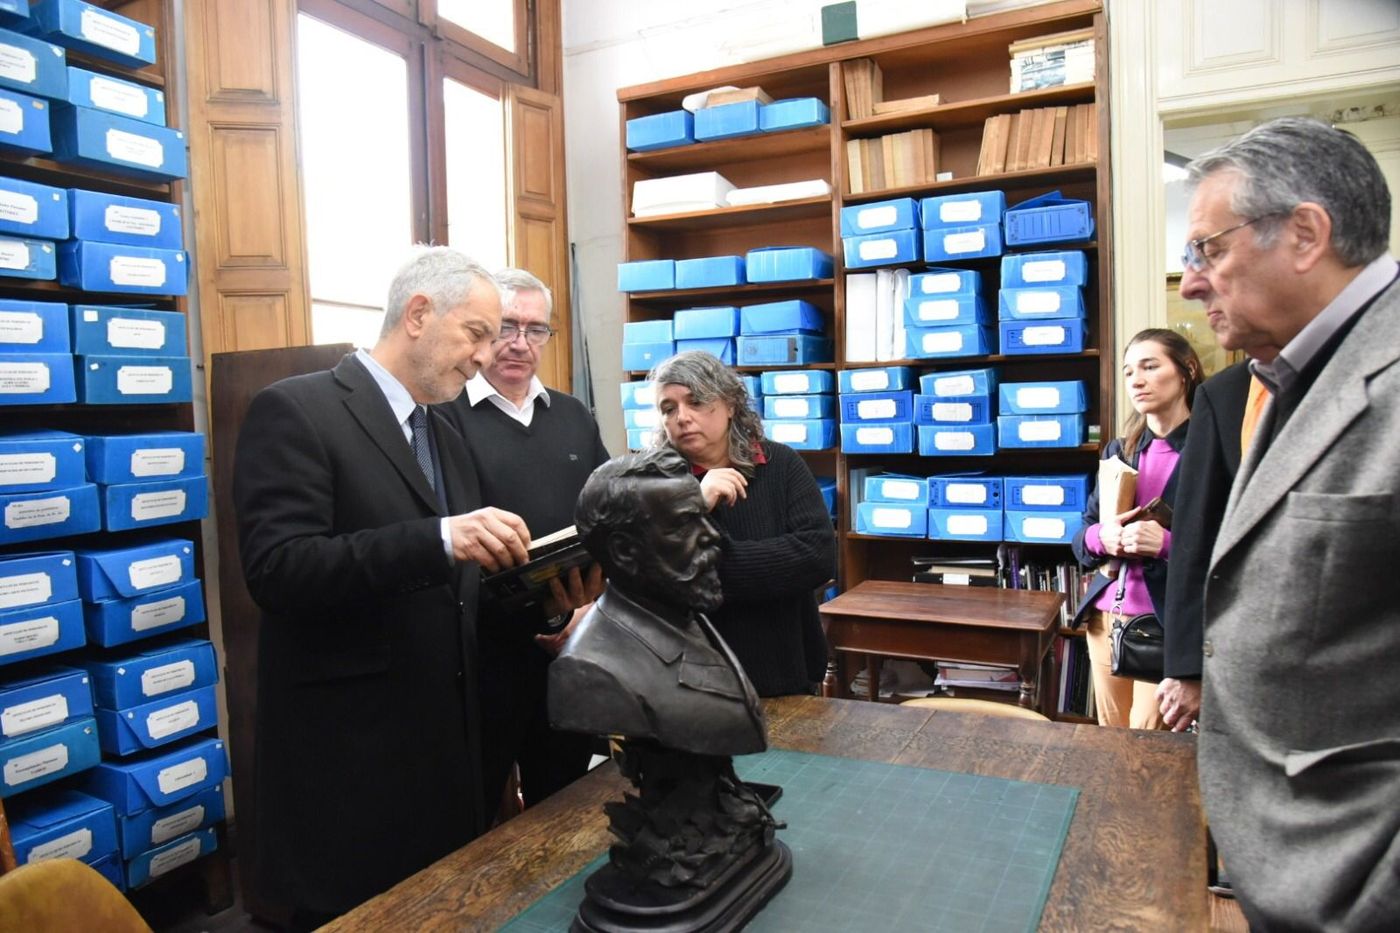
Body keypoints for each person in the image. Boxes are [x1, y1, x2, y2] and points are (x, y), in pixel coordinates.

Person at [233, 247, 531, 925]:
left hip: (442, 767)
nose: (486, 357)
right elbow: (279, 569)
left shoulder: (445, 430)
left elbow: (456, 590)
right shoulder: (297, 410)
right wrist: (438, 538)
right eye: (477, 333)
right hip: (347, 777)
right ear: (418, 314)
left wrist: (543, 599)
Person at [1178, 116, 1400, 930]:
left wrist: (1368, 903)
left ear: (1306, 234)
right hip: (1285, 867)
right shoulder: (1284, 375)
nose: (1191, 283)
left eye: (1208, 250)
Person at [437, 268, 608, 819]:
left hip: (569, 645)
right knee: (475, 813)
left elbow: (608, 515)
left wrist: (591, 609)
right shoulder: (441, 416)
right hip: (480, 656)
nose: (519, 343)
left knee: (563, 805)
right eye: (507, 326)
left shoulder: (573, 415)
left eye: (536, 330)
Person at [548, 446, 767, 756]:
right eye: (683, 525)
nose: (712, 536)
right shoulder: (588, 666)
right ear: (625, 551)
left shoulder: (683, 610)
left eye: (703, 518)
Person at [646, 350, 836, 697]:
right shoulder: (653, 483)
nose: (682, 417)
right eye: (668, 409)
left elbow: (818, 557)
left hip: (787, 675)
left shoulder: (781, 464)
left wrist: (711, 567)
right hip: (693, 687)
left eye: (696, 401)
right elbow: (654, 578)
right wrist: (695, 505)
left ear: (731, 404)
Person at [1071, 329, 1203, 729]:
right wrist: (1103, 537)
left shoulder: (1209, 450)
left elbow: (1230, 547)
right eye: (1129, 372)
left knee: (1147, 740)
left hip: (1165, 624)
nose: (1137, 381)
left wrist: (1166, 544)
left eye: (1150, 366)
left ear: (1186, 371)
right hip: (1106, 617)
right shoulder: (1120, 450)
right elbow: (1082, 537)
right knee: (1110, 735)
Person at [1156, 364, 1266, 733]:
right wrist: (1188, 668)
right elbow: (1195, 536)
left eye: (1150, 366)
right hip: (1241, 642)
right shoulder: (1225, 394)